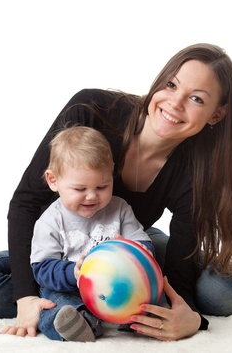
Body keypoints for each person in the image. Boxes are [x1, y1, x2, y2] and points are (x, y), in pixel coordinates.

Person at [0, 43, 232, 341]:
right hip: (65, 248)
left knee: (224, 293)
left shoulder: (196, 168)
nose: (175, 102)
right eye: (171, 84)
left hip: (132, 242)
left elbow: (181, 261)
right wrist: (25, 297)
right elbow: (27, 202)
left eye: (197, 99)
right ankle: (74, 302)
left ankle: (100, 298)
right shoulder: (92, 110)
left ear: (216, 114)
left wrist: (189, 318)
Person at [30, 125, 155, 342]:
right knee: (54, 304)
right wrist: (73, 273)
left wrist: (133, 249)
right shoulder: (51, 220)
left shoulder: (120, 208)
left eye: (102, 187)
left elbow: (143, 243)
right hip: (71, 289)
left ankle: (137, 320)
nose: (91, 197)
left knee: (152, 294)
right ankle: (81, 323)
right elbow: (42, 268)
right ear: (53, 180)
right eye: (80, 189)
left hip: (120, 285)